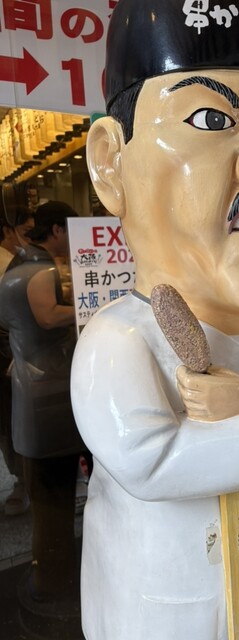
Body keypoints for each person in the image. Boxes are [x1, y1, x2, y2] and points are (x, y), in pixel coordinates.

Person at [71, 1, 239, 639]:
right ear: (112, 163)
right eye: (210, 118)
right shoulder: (121, 339)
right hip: (161, 599)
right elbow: (148, 460)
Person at [0, 201, 86, 615]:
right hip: (46, 400)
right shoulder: (38, 269)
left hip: (41, 393)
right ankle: (53, 586)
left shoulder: (23, 262)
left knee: (54, 495)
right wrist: (96, 305)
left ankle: (54, 576)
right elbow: (48, 316)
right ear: (57, 230)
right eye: (72, 231)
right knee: (53, 498)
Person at [0, 206, 35, 516]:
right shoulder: (10, 265)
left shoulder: (25, 260)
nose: (31, 238)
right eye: (26, 232)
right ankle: (21, 481)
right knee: (9, 419)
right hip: (7, 353)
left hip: (24, 350)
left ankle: (28, 479)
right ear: (8, 232)